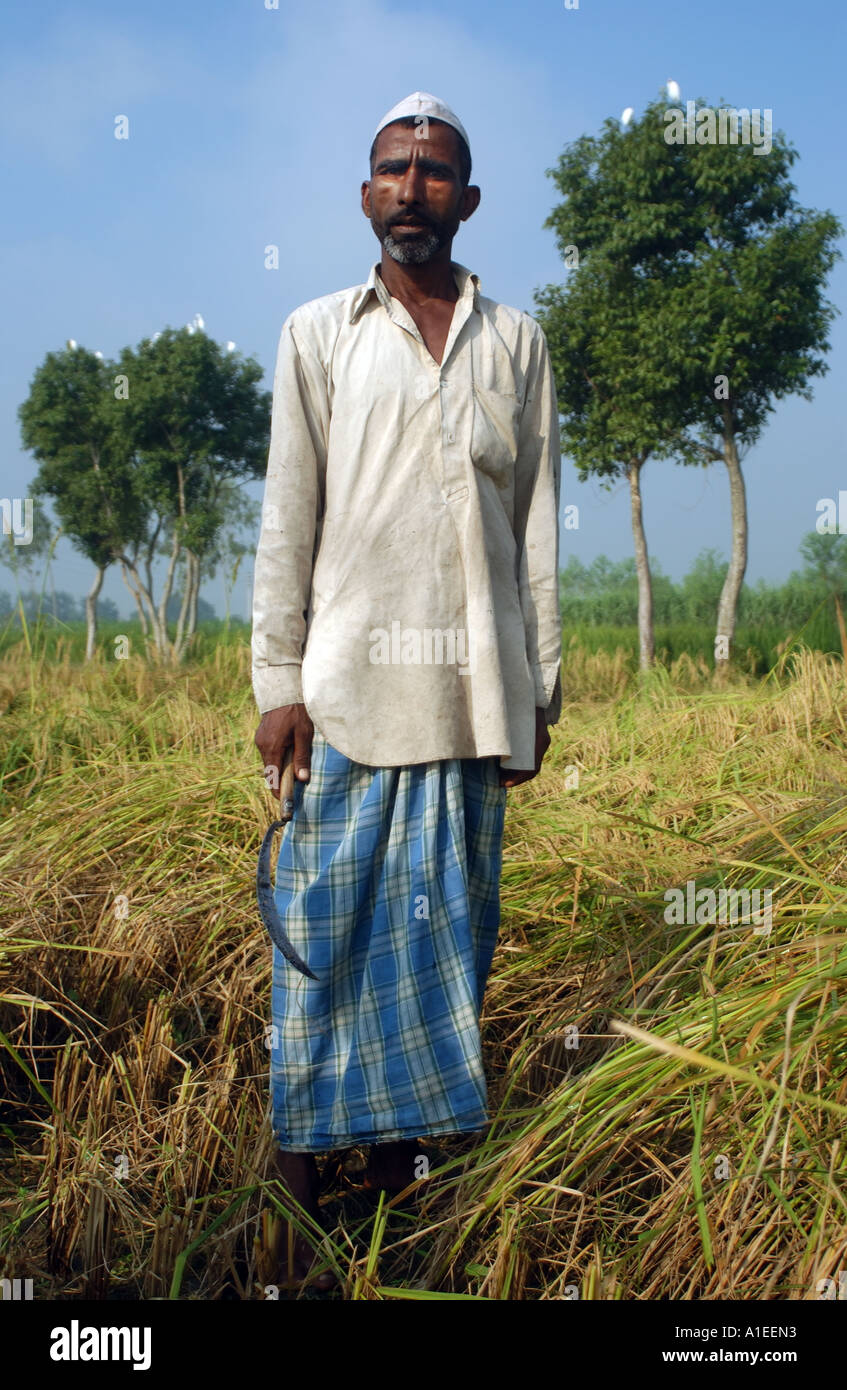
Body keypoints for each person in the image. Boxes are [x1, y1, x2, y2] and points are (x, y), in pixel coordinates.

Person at [252, 91, 562, 1290]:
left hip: (472, 701)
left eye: (435, 173)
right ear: (366, 195)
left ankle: (389, 1208)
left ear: (467, 199)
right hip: (343, 699)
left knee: (437, 964)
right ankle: (292, 1205)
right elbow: (288, 518)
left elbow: (534, 520)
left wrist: (537, 688)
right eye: (393, 169)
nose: (412, 188)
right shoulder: (317, 332)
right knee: (320, 951)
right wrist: (277, 680)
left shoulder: (516, 341)